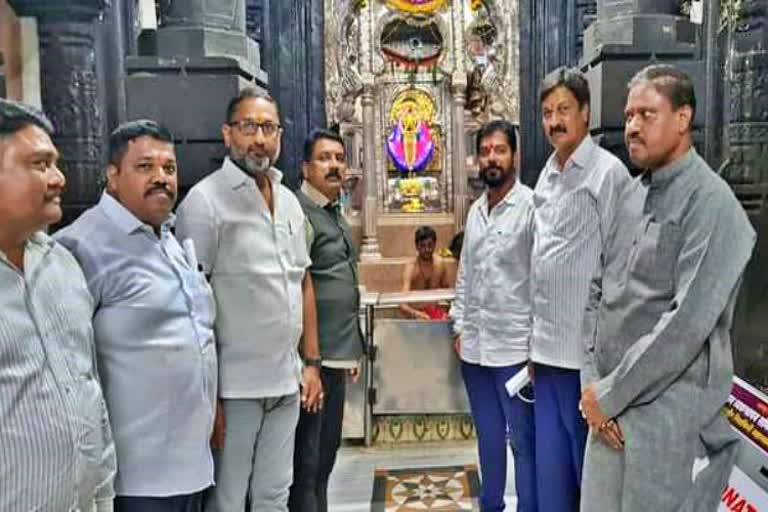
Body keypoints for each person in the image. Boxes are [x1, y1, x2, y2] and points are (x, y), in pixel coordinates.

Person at [579, 64, 755, 512]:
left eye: (647, 114)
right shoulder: (630, 194)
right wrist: (592, 389)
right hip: (606, 420)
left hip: (665, 426)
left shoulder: (714, 206)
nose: (632, 127)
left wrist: (610, 395)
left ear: (683, 118)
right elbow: (596, 294)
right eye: (629, 115)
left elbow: (685, 325)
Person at [56, 120, 217, 512]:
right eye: (145, 167)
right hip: (136, 477)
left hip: (193, 464)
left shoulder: (168, 236)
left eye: (169, 168)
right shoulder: (82, 246)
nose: (161, 178)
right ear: (112, 177)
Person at [175, 88, 323, 512]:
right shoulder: (204, 202)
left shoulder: (291, 201)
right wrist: (209, 397)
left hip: (286, 381)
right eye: (249, 127)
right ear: (227, 134)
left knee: (275, 494)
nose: (260, 138)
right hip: (234, 388)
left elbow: (302, 281)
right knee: (228, 498)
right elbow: (190, 305)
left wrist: (310, 364)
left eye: (269, 128)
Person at [0, 98, 116, 511]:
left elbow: (87, 383)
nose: (59, 179)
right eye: (40, 164)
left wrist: (103, 493)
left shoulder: (62, 264)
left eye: (56, 164)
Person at [529, 66, 630, 511]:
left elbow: (624, 269)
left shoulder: (608, 175)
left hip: (585, 365)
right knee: (552, 482)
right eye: (548, 112)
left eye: (564, 110)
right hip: (546, 358)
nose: (555, 121)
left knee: (589, 484)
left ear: (586, 113)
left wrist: (609, 372)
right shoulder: (546, 175)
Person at [450, 120, 537, 512]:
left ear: (514, 156)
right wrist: (459, 323)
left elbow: (541, 282)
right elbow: (466, 272)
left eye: (499, 150)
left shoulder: (532, 208)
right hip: (475, 349)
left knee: (523, 439)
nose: (491, 158)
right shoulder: (475, 212)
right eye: (485, 151)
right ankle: (491, 504)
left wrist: (538, 345)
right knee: (487, 436)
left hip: (516, 351)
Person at [288, 129, 366, 512]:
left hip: (336, 357)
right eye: (324, 158)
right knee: (308, 464)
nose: (334, 165)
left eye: (339, 158)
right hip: (313, 365)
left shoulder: (333, 212)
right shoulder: (298, 213)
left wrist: (352, 347)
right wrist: (312, 363)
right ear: (305, 166)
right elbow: (300, 287)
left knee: (325, 461)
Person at [399, 225, 452, 320]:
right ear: (416, 246)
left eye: (430, 245)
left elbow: (449, 295)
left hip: (435, 314)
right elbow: (402, 304)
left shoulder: (440, 264)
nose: (427, 249)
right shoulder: (410, 268)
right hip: (415, 316)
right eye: (423, 246)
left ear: (435, 244)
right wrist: (416, 314)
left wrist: (452, 313)